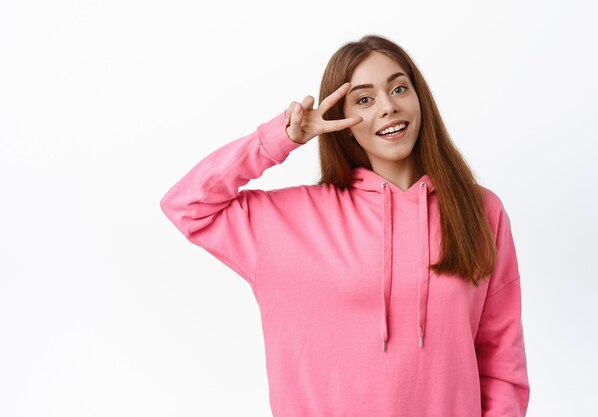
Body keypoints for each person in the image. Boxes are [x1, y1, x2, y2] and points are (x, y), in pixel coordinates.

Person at [160, 34, 530, 417]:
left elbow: (502, 357)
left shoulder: (478, 209)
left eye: (399, 88)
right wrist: (281, 138)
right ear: (343, 123)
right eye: (365, 100)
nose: (388, 107)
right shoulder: (290, 220)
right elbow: (187, 205)